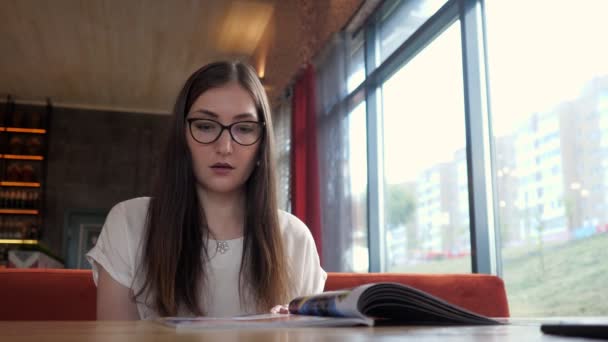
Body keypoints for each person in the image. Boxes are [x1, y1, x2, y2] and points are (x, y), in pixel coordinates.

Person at [86, 61, 326, 320]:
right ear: (182, 136)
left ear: (262, 146)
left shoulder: (295, 238)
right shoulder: (128, 223)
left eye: (244, 129)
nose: (224, 147)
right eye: (205, 126)